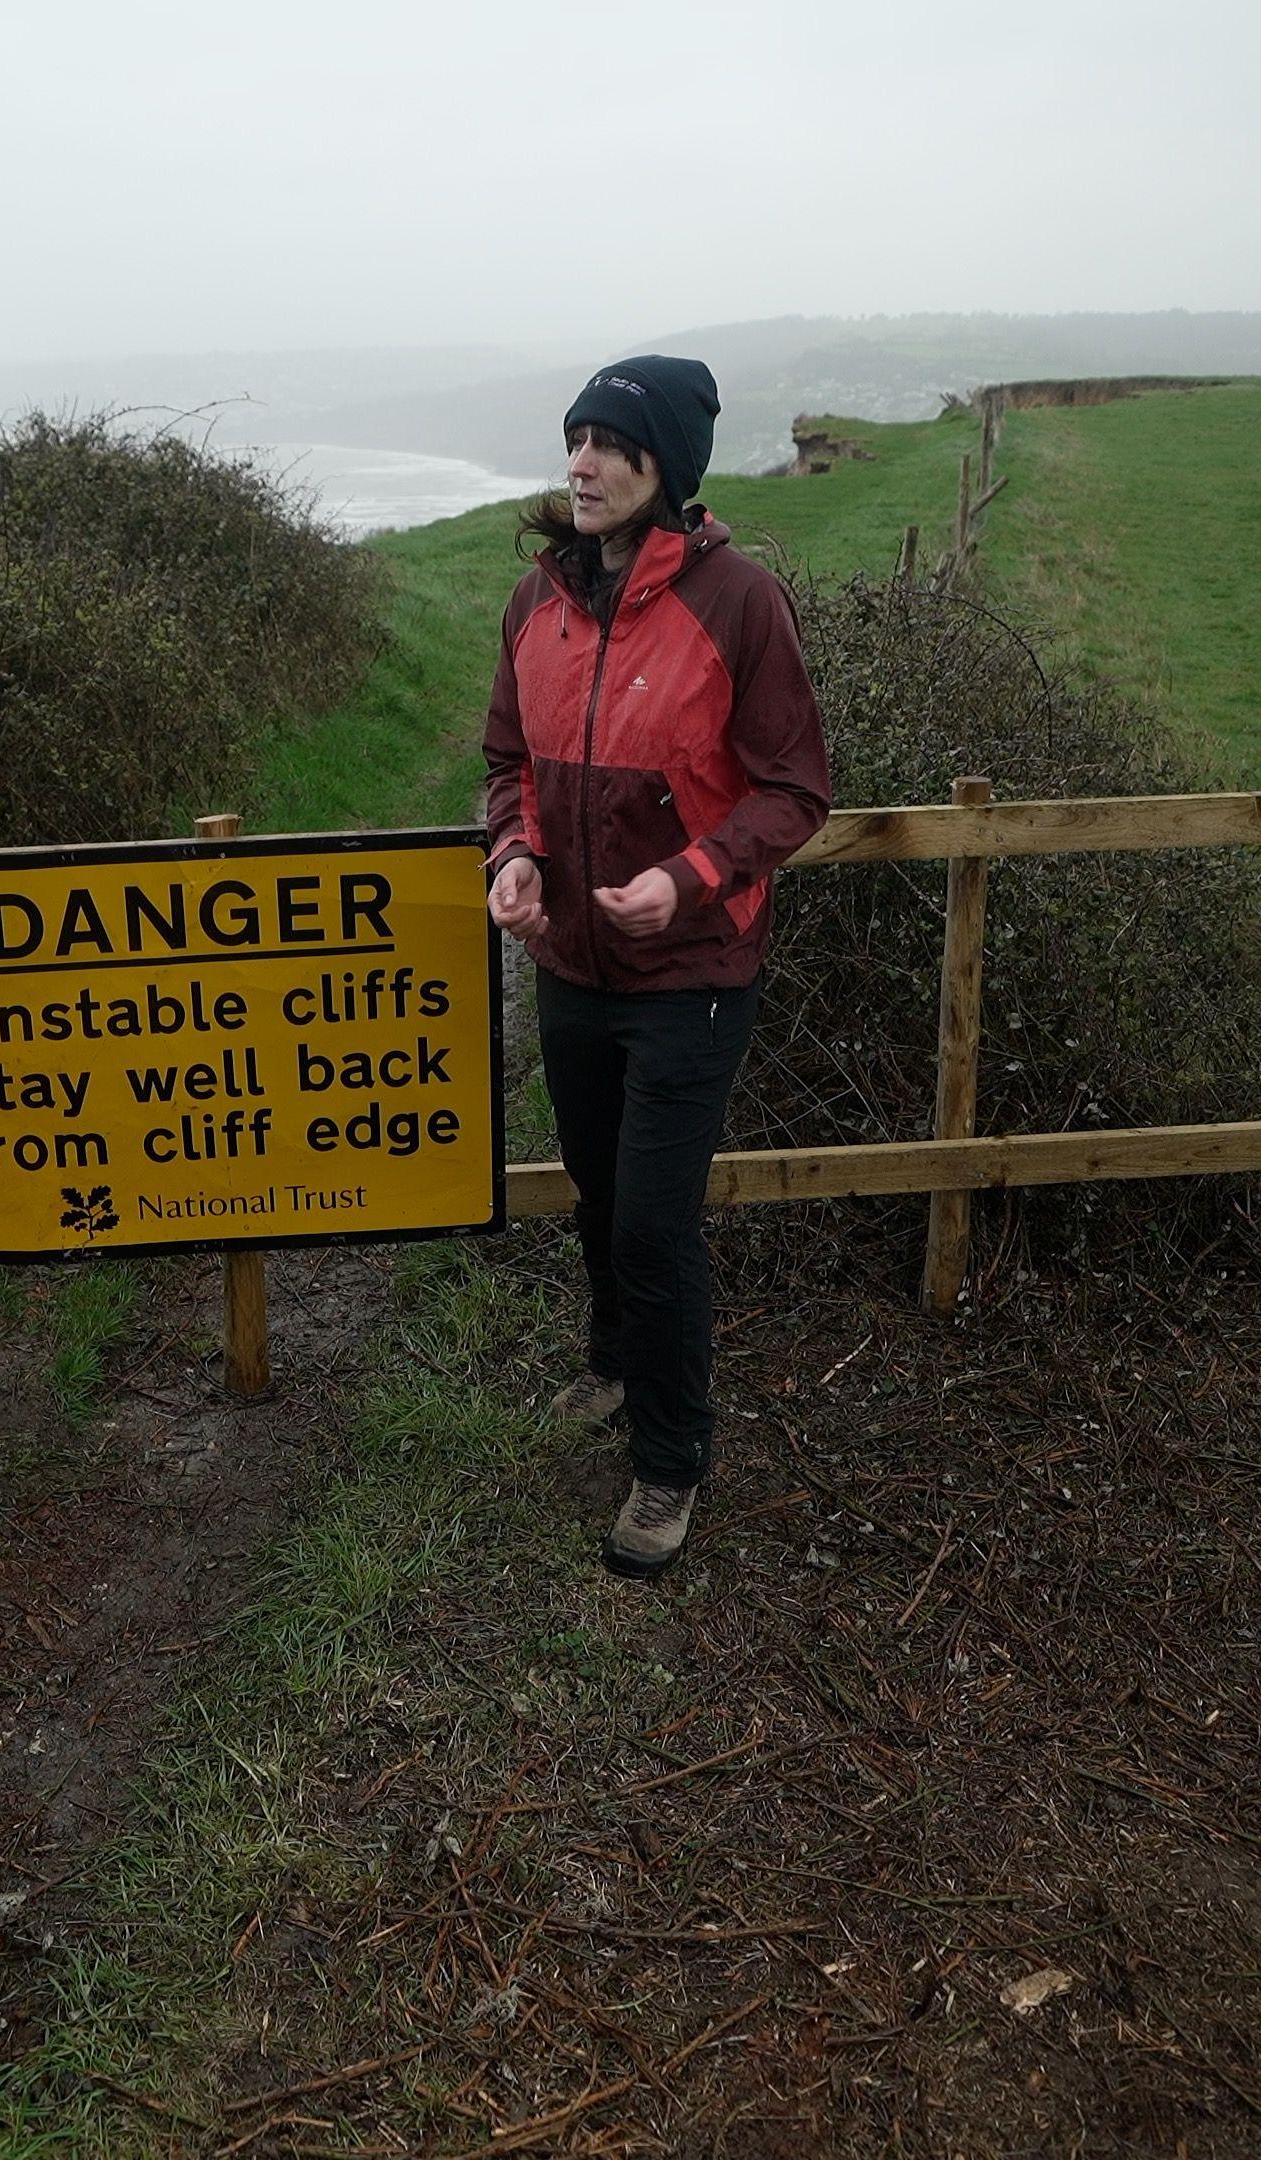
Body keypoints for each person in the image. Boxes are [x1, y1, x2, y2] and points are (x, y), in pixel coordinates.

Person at [479, 356, 832, 1578]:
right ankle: (618, 1363)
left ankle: (670, 1464)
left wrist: (689, 875)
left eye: (610, 445)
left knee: (655, 1223)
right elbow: (506, 761)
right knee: (595, 1187)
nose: (580, 462)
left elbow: (797, 790)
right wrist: (515, 854)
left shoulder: (739, 604)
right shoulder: (538, 598)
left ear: (666, 470)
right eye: (574, 439)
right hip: (569, 960)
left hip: (695, 969)